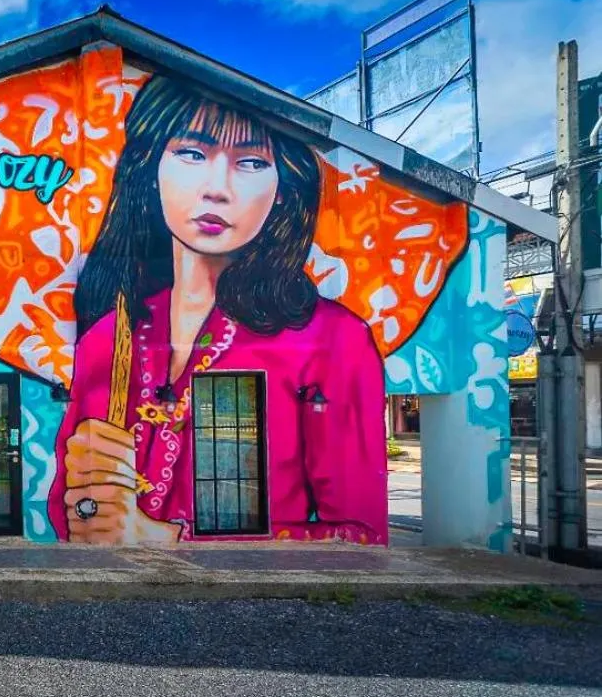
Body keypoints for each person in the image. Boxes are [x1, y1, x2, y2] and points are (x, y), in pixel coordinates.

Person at [50, 75, 388, 545]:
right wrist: (84, 493)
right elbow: (70, 518)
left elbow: (362, 538)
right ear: (150, 167)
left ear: (282, 189)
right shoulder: (107, 337)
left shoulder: (332, 339)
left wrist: (166, 540)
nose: (217, 189)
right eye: (192, 153)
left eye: (250, 162)